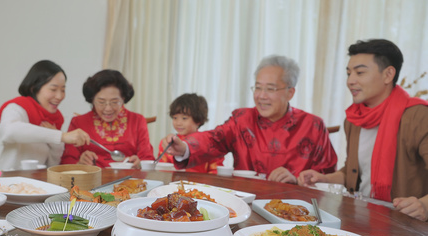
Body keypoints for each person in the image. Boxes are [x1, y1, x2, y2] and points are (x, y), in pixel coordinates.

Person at [298, 39, 428, 221]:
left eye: (360, 72)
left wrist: (424, 205)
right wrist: (323, 178)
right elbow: (354, 173)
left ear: (388, 74)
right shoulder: (355, 119)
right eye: (349, 73)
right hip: (363, 216)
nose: (351, 81)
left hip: (406, 225)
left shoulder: (419, 116)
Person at [162, 55, 337, 183]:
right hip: (246, 207)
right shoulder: (242, 119)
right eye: (258, 88)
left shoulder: (313, 125)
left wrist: (297, 180)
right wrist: (184, 147)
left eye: (270, 89)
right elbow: (214, 139)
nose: (261, 96)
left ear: (290, 92)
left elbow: (325, 177)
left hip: (295, 211)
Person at [0, 60, 90, 171]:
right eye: (53, 89)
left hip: (35, 183)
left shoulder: (55, 119)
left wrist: (56, 143)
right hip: (2, 180)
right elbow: (9, 131)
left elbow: (52, 166)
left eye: (63, 90)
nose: (59, 96)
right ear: (34, 88)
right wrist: (61, 136)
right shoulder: (16, 108)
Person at [60, 69, 155, 168]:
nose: (108, 108)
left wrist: (140, 164)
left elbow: (148, 159)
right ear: (92, 99)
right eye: (101, 102)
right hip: (92, 181)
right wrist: (79, 163)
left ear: (123, 99)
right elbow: (66, 162)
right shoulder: (78, 123)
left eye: (114, 102)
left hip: (130, 181)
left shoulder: (137, 120)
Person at [157, 93, 223, 174]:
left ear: (198, 120)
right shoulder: (167, 142)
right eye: (175, 118)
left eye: (184, 118)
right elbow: (161, 169)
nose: (178, 123)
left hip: (201, 185)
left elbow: (216, 172)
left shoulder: (210, 144)